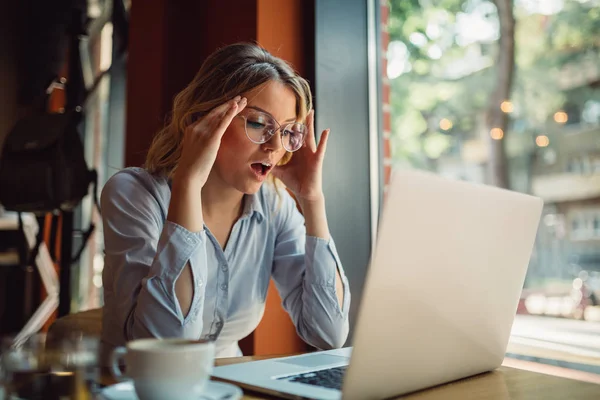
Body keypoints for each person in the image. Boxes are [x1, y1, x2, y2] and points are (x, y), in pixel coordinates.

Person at [100, 42, 350, 360]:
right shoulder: (134, 194)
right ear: (205, 117)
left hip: (229, 386)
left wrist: (312, 200)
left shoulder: (273, 205)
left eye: (288, 131)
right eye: (259, 123)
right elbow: (169, 345)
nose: (275, 146)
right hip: (137, 384)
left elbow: (329, 333)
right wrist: (189, 184)